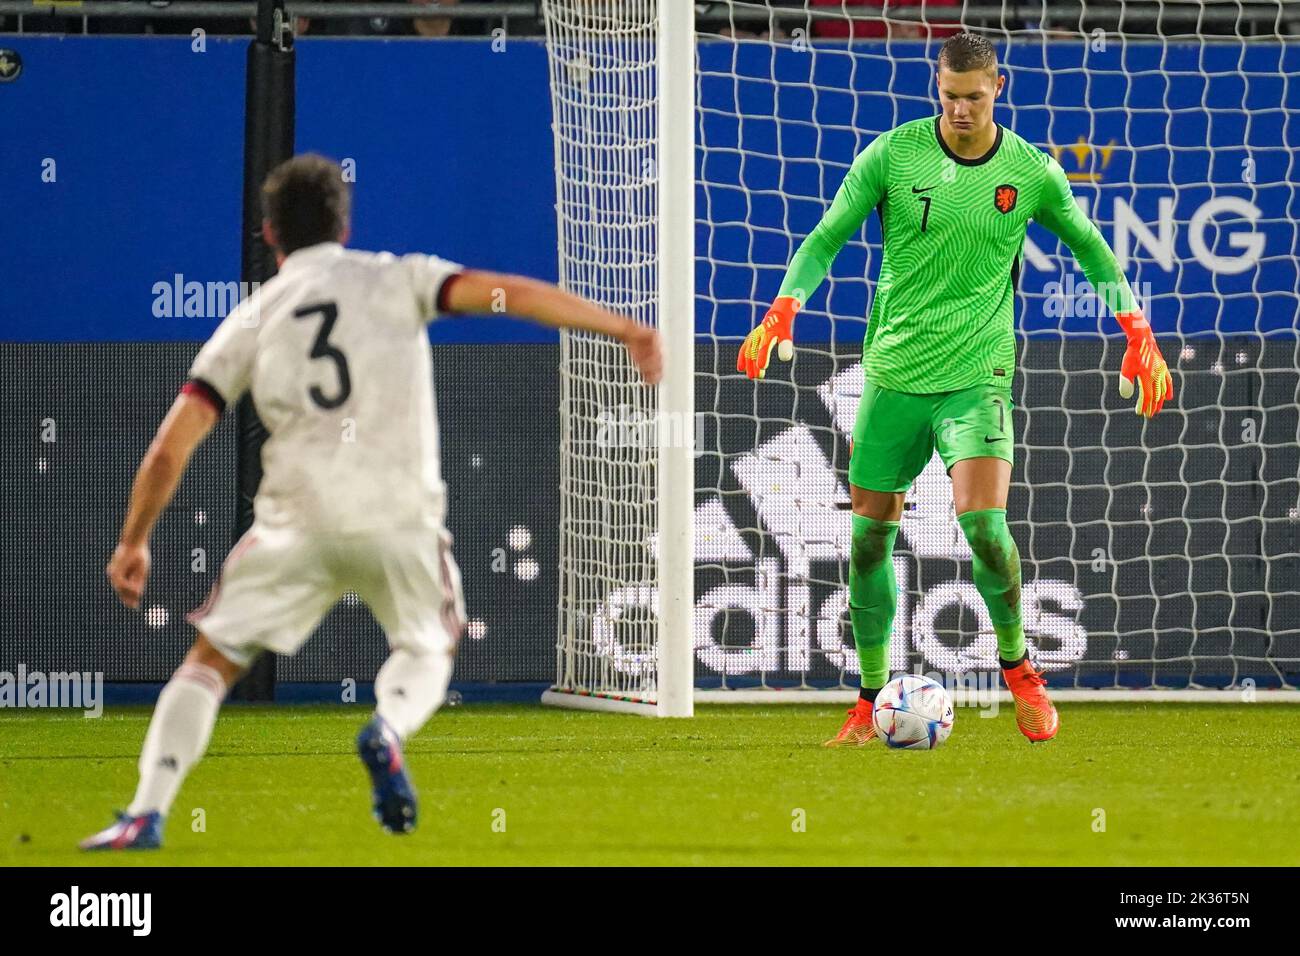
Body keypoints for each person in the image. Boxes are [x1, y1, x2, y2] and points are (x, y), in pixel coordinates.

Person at [81, 153, 661, 849]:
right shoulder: (400, 278)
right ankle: (387, 728)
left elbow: (170, 447)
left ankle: (148, 811)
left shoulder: (252, 318)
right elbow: (510, 293)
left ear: (269, 234)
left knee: (210, 661)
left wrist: (133, 540)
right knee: (429, 643)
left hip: (293, 525)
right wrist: (623, 328)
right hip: (398, 520)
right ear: (344, 227)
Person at [737, 32, 1172, 746]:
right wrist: (785, 306)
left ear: (998, 87)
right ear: (936, 88)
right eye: (950, 96)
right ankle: (869, 699)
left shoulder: (1030, 173)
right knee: (868, 545)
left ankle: (1020, 671)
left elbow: (1092, 249)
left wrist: (1137, 331)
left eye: (974, 96)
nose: (962, 109)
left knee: (984, 529)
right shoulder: (893, 154)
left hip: (977, 377)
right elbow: (824, 237)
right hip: (894, 377)